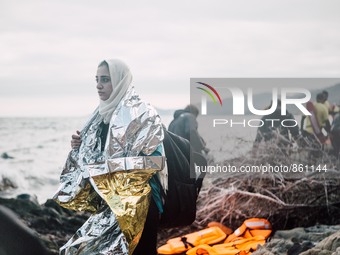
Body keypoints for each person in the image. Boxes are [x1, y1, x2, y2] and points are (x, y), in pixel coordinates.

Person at [53, 59, 167, 255]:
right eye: (97, 79)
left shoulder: (142, 113)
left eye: (105, 79)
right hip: (113, 201)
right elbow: (98, 156)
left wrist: (112, 167)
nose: (98, 85)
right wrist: (78, 147)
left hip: (143, 203)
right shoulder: (100, 115)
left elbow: (156, 160)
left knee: (142, 251)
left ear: (120, 80)